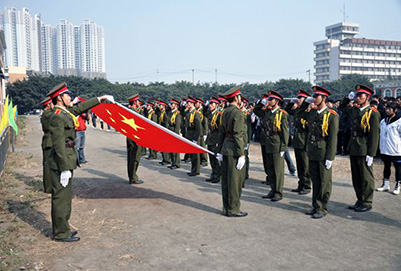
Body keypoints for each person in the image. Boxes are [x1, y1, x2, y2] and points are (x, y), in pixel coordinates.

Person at [47, 82, 113, 242]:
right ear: (60, 98)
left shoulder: (65, 112)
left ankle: (64, 228)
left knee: (65, 197)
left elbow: (80, 108)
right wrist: (63, 168)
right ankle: (61, 233)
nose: (70, 97)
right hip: (61, 161)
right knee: (60, 198)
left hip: (68, 159)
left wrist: (101, 98)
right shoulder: (57, 116)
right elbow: (58, 144)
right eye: (67, 95)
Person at [339, 85, 380, 212]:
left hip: (364, 148)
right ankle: (360, 199)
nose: (358, 98)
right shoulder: (355, 110)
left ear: (367, 97)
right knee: (356, 176)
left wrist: (371, 154)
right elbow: (342, 108)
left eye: (360, 96)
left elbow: (374, 135)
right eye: (356, 96)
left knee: (366, 177)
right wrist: (347, 97)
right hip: (354, 146)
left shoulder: (373, 113)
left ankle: (367, 202)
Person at [305, 86, 339, 219]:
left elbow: (332, 138)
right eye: (313, 96)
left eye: (316, 96)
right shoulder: (313, 113)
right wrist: (308, 103)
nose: (314, 99)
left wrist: (330, 157)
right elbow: (300, 113)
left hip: (323, 151)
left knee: (324, 181)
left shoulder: (332, 115)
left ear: (324, 98)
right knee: (315, 180)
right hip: (313, 150)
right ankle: (315, 205)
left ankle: (322, 207)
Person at [216, 86, 247, 217]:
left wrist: (219, 150)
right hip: (234, 150)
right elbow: (238, 135)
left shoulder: (224, 111)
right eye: (239, 97)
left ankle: (227, 207)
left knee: (226, 181)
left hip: (225, 148)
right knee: (235, 181)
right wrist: (241, 154)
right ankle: (233, 209)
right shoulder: (237, 113)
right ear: (236, 98)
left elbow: (221, 132)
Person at [285, 89, 312, 195]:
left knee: (305, 165)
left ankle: (306, 185)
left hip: (305, 140)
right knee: (300, 164)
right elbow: (287, 110)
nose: (298, 100)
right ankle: (301, 184)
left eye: (300, 98)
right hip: (297, 140)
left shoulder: (309, 111)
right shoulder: (298, 110)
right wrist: (291, 102)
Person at [377, 102, 401, 194]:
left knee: (398, 168)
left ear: (395, 110)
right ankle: (385, 184)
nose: (387, 110)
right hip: (385, 148)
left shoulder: (399, 121)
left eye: (389, 109)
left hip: (396, 150)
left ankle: (397, 186)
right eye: (386, 109)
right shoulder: (383, 121)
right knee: (386, 167)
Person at [126, 94, 144, 185]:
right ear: (135, 102)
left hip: (131, 138)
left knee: (131, 158)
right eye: (137, 101)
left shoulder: (131, 111)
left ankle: (131, 176)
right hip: (134, 139)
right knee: (135, 158)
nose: (139, 103)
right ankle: (133, 177)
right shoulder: (134, 112)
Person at [205, 97, 222, 183]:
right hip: (210, 139)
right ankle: (213, 173)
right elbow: (204, 112)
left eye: (212, 104)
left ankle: (217, 176)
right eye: (210, 103)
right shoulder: (210, 113)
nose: (210, 105)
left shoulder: (219, 115)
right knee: (211, 159)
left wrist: (218, 142)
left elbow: (220, 130)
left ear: (217, 105)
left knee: (216, 159)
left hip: (215, 140)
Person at [40, 97, 54, 194]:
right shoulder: (47, 114)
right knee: (48, 165)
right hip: (49, 140)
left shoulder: (47, 113)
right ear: (48, 104)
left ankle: (49, 186)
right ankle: (49, 187)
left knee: (49, 164)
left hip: (49, 140)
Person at [185, 97, 202, 176]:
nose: (187, 104)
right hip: (189, 135)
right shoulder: (189, 112)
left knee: (195, 155)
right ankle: (193, 169)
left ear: (192, 104)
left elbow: (198, 128)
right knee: (192, 154)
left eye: (188, 103)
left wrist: (195, 139)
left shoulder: (196, 113)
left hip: (194, 135)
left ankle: (196, 170)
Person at [73, 97, 89, 164]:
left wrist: (86, 111)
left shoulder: (82, 114)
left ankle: (82, 159)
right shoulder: (75, 114)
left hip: (82, 131)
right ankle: (76, 161)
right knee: (77, 147)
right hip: (77, 131)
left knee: (82, 146)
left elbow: (87, 118)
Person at [167, 99, 182, 169]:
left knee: (175, 150)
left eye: (172, 104)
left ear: (176, 105)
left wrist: (175, 135)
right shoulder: (171, 113)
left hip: (174, 133)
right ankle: (173, 162)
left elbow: (177, 126)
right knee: (171, 149)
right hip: (170, 133)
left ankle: (176, 163)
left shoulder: (177, 114)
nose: (171, 105)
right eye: (171, 104)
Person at [157, 100, 171, 166]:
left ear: (164, 106)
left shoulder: (165, 114)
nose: (159, 106)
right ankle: (164, 159)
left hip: (164, 131)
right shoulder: (161, 113)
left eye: (160, 105)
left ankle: (167, 159)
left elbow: (166, 124)